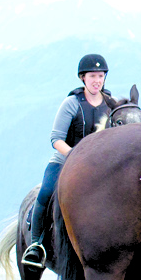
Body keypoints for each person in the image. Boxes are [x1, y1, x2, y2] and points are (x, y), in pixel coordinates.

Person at [20, 53, 113, 268]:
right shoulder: (71, 103)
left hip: (101, 167)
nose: (97, 80)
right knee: (46, 192)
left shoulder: (110, 103)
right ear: (82, 78)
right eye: (92, 76)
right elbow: (56, 139)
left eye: (100, 76)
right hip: (65, 162)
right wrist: (76, 158)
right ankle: (36, 245)